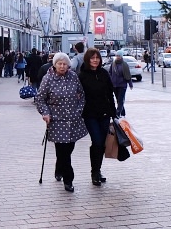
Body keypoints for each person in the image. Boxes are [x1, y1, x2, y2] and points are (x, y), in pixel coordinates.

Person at [35, 52, 87, 192]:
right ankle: (68, 179)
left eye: (65, 64)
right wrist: (45, 113)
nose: (62, 66)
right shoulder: (48, 78)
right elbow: (39, 98)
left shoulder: (73, 76)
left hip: (73, 119)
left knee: (68, 149)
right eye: (59, 64)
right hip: (57, 120)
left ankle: (59, 168)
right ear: (55, 64)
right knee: (63, 150)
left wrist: (79, 110)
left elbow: (81, 95)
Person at [77, 48, 117, 186]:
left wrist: (114, 112)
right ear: (87, 60)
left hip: (104, 114)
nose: (95, 60)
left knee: (102, 144)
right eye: (92, 58)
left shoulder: (104, 74)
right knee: (97, 142)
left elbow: (110, 94)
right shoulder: (82, 76)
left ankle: (98, 170)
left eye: (97, 58)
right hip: (90, 115)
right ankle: (94, 173)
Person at [109, 53, 133, 118]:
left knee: (120, 100)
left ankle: (117, 113)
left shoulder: (124, 65)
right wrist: (110, 80)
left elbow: (128, 75)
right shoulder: (113, 64)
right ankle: (123, 113)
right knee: (118, 100)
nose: (118, 57)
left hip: (122, 85)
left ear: (121, 56)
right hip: (114, 85)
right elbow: (110, 73)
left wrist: (130, 84)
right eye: (117, 55)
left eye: (119, 56)